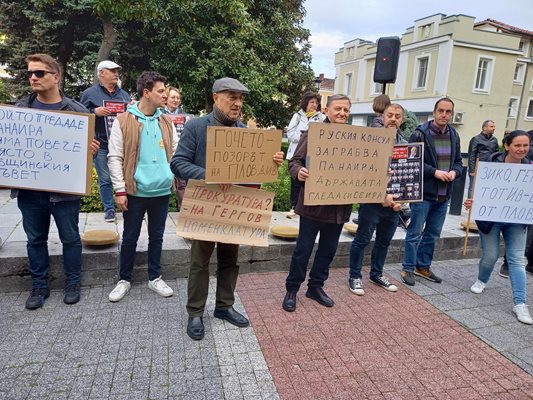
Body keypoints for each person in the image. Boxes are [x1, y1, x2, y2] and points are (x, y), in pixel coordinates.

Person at [170, 77, 284, 340]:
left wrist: (272, 162)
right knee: (199, 262)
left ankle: (224, 306)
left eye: (241, 98)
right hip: (206, 206)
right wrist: (210, 174)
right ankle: (195, 312)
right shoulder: (197, 127)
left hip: (235, 207)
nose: (237, 103)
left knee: (230, 260)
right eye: (231, 96)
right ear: (215, 97)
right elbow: (178, 163)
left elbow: (255, 174)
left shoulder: (245, 132)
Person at [14, 53, 99, 309]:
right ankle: (39, 286)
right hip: (31, 192)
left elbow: (85, 157)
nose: (33, 78)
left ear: (55, 76)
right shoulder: (20, 110)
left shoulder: (77, 111)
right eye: (29, 73)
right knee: (35, 240)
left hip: (65, 192)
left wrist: (90, 151)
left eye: (39, 73)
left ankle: (73, 283)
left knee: (71, 239)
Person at [107, 71, 177, 302]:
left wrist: (173, 177)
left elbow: (175, 153)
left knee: (157, 236)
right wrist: (119, 190)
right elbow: (115, 157)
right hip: (135, 192)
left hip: (161, 191)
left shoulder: (166, 121)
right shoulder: (124, 120)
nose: (165, 95)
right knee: (130, 237)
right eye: (160, 91)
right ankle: (124, 279)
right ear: (146, 93)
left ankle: (155, 277)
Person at [282, 94, 352, 312]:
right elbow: (294, 161)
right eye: (338, 109)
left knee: (328, 250)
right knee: (303, 250)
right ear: (327, 110)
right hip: (313, 206)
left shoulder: (356, 138)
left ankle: (316, 287)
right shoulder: (314, 133)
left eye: (346, 110)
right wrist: (298, 172)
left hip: (339, 208)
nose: (342, 113)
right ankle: (292, 289)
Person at [466, 130, 532, 325]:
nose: (522, 149)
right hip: (491, 219)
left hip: (517, 221)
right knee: (490, 256)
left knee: (517, 260)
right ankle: (482, 279)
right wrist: (473, 203)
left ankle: (520, 303)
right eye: (517, 145)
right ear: (507, 146)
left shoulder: (530, 169)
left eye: (525, 145)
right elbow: (478, 190)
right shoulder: (490, 166)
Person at [400, 97, 462, 286]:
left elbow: (458, 161)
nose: (444, 114)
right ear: (434, 112)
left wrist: (454, 172)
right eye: (441, 111)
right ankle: (407, 268)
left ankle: (423, 266)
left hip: (443, 196)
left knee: (433, 234)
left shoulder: (454, 134)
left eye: (448, 111)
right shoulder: (420, 134)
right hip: (424, 194)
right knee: (414, 233)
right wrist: (434, 172)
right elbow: (411, 162)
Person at [348, 103, 406, 296]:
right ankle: (354, 276)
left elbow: (410, 177)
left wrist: (404, 201)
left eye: (398, 116)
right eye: (390, 115)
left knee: (384, 241)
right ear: (383, 116)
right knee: (362, 240)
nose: (393, 119)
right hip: (372, 202)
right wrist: (380, 195)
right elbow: (360, 173)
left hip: (394, 205)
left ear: (402, 120)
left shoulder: (406, 145)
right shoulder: (369, 143)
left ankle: (377, 273)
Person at [80, 60, 131, 223]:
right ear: (101, 73)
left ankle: (127, 207)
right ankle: (109, 210)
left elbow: (131, 116)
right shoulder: (89, 93)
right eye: (112, 70)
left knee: (126, 176)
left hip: (122, 144)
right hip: (101, 143)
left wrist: (132, 108)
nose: (116, 73)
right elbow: (80, 116)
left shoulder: (124, 95)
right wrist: (94, 111)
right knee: (105, 179)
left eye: (117, 70)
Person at [285, 92, 324, 218]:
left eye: (316, 103)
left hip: (311, 156)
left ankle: (305, 207)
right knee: (296, 181)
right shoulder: (297, 116)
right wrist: (305, 137)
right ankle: (294, 207)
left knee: (309, 181)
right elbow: (290, 134)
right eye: (312, 102)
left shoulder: (321, 118)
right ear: (306, 103)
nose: (314, 105)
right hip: (295, 154)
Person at [163, 86, 187, 208]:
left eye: (178, 98)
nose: (175, 100)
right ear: (166, 98)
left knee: (181, 183)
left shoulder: (185, 116)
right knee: (163, 183)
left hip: (180, 152)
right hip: (163, 152)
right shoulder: (159, 114)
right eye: (173, 97)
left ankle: (183, 209)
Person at [467, 120, 498, 197]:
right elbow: (471, 155)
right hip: (478, 168)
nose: (494, 128)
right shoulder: (476, 139)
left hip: (490, 169)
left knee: (486, 188)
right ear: (484, 128)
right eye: (491, 126)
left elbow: (496, 154)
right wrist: (472, 170)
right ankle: (469, 207)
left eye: (494, 126)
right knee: (473, 187)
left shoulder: (494, 140)